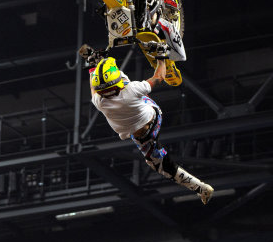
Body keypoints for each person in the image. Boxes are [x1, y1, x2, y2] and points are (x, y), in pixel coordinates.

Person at [81, 48, 214, 204]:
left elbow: (93, 88)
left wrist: (92, 68)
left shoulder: (99, 101)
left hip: (144, 134)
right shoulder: (131, 89)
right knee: (130, 86)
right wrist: (161, 58)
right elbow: (158, 78)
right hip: (152, 114)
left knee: (160, 165)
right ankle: (102, 61)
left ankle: (201, 188)